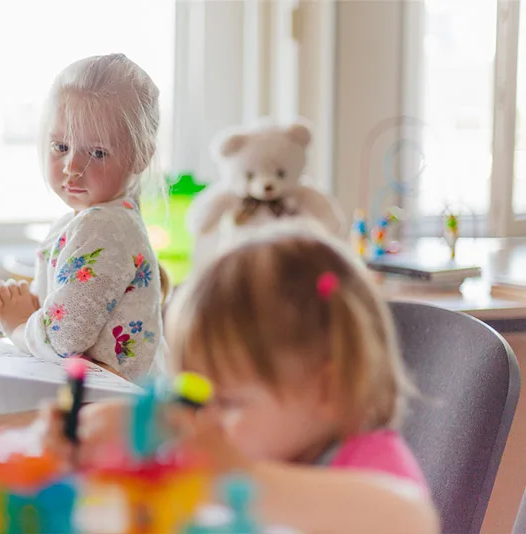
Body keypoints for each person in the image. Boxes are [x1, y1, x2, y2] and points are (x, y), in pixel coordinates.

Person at [39, 222, 439, 534]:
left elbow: (412, 519)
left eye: (228, 402)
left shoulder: (367, 462)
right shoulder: (248, 441)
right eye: (195, 395)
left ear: (327, 389)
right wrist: (104, 437)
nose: (204, 420)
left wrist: (235, 475)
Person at [0, 53, 166, 381]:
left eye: (97, 152)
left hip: (112, 411)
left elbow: (60, 338)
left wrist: (19, 324)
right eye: (61, 147)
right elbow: (41, 313)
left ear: (139, 156)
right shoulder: (80, 223)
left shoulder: (105, 227)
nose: (72, 168)